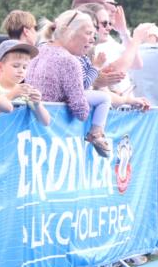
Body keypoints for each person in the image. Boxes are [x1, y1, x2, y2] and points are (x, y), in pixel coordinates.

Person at [27, 10, 122, 157]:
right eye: (88, 33)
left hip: (33, 131)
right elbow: (81, 112)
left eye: (93, 34)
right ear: (69, 32)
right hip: (51, 136)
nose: (92, 39)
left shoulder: (39, 50)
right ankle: (97, 134)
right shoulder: (69, 61)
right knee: (104, 98)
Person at [0, 39, 51, 125]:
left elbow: (45, 122)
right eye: (16, 66)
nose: (21, 70)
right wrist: (12, 94)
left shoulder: (25, 91)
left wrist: (37, 104)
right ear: (0, 66)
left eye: (25, 67)